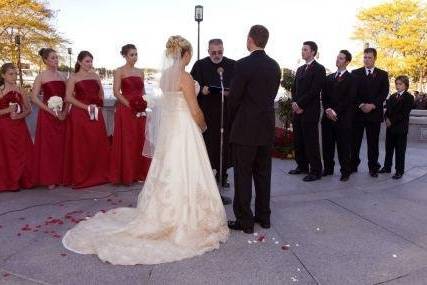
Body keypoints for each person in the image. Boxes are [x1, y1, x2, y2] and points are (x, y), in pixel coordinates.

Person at [62, 36, 229, 265]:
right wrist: (202, 126)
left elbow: (166, 105)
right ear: (186, 54)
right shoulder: (185, 77)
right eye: (189, 54)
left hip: (170, 131)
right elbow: (194, 109)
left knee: (167, 168)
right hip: (184, 129)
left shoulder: (165, 77)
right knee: (186, 167)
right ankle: (184, 214)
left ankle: (160, 211)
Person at [227, 25, 281, 234]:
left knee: (243, 175)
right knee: (263, 174)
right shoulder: (275, 66)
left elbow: (234, 99)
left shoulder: (243, 65)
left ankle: (245, 221)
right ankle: (264, 217)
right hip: (266, 127)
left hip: (245, 129)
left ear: (250, 40)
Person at [190, 39, 235, 198]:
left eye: (220, 52)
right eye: (213, 52)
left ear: (223, 50)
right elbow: (192, 86)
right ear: (208, 51)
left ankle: (222, 175)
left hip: (226, 113)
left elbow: (238, 87)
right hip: (207, 113)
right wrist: (202, 90)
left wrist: (230, 92)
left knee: (224, 144)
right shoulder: (200, 65)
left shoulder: (232, 65)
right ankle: (207, 176)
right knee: (208, 144)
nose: (217, 55)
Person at [63, 51, 110, 189]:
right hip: (80, 115)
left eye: (91, 61)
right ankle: (82, 176)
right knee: (82, 145)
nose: (89, 64)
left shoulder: (95, 76)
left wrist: (98, 103)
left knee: (97, 142)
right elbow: (68, 97)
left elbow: (101, 93)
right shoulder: (73, 77)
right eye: (87, 61)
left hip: (95, 113)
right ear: (79, 62)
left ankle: (99, 173)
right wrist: (86, 107)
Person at [110, 44, 151, 185]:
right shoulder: (119, 71)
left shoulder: (140, 72)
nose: (134, 57)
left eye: (136, 54)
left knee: (141, 140)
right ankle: (128, 174)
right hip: (126, 110)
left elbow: (143, 91)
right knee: (128, 141)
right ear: (125, 56)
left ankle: (140, 173)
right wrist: (131, 105)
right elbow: (116, 92)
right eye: (131, 54)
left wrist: (144, 105)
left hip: (140, 111)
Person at [288, 41, 326, 182]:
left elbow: (315, 90)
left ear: (313, 52)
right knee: (299, 140)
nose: (302, 51)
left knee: (311, 142)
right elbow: (294, 88)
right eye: (302, 49)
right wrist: (294, 103)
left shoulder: (319, 69)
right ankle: (302, 166)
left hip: (309, 111)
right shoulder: (300, 69)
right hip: (297, 110)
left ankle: (316, 171)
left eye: (305, 49)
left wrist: (300, 104)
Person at [31, 48, 68, 189]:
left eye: (56, 57)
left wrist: (64, 111)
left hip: (62, 115)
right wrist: (49, 110)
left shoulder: (63, 76)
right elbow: (34, 97)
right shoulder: (41, 76)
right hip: (47, 115)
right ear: (45, 60)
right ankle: (50, 178)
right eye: (52, 58)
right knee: (49, 146)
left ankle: (62, 176)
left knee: (62, 145)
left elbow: (68, 96)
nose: (56, 60)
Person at [350, 48, 389, 177]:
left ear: (375, 58)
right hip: (358, 114)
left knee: (373, 143)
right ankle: (353, 165)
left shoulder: (383, 74)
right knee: (355, 142)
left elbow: (384, 93)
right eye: (365, 57)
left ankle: (373, 167)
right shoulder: (355, 73)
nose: (366, 60)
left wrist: (372, 105)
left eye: (369, 57)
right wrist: (361, 105)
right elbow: (352, 93)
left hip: (374, 114)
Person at [321, 50, 355, 182]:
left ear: (347, 62)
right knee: (327, 145)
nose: (338, 60)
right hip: (327, 118)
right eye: (337, 58)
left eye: (341, 58)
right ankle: (328, 169)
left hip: (343, 119)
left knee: (343, 147)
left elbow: (350, 98)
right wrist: (328, 109)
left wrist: (335, 112)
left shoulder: (352, 79)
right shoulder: (329, 78)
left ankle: (345, 171)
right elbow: (324, 96)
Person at [0, 63, 33, 192]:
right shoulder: (0, 91)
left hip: (19, 126)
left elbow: (29, 109)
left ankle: (23, 180)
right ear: (3, 75)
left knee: (22, 153)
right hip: (4, 127)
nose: (14, 77)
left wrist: (19, 116)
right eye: (11, 74)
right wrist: (8, 110)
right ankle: (9, 182)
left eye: (16, 74)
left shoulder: (20, 90)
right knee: (7, 154)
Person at [379, 75, 414, 179]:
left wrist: (392, 121)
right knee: (388, 149)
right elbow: (387, 109)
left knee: (400, 151)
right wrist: (386, 118)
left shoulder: (409, 97)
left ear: (406, 85)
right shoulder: (393, 96)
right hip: (390, 128)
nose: (398, 86)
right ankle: (387, 167)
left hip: (400, 128)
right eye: (397, 84)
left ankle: (399, 171)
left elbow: (404, 113)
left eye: (400, 84)